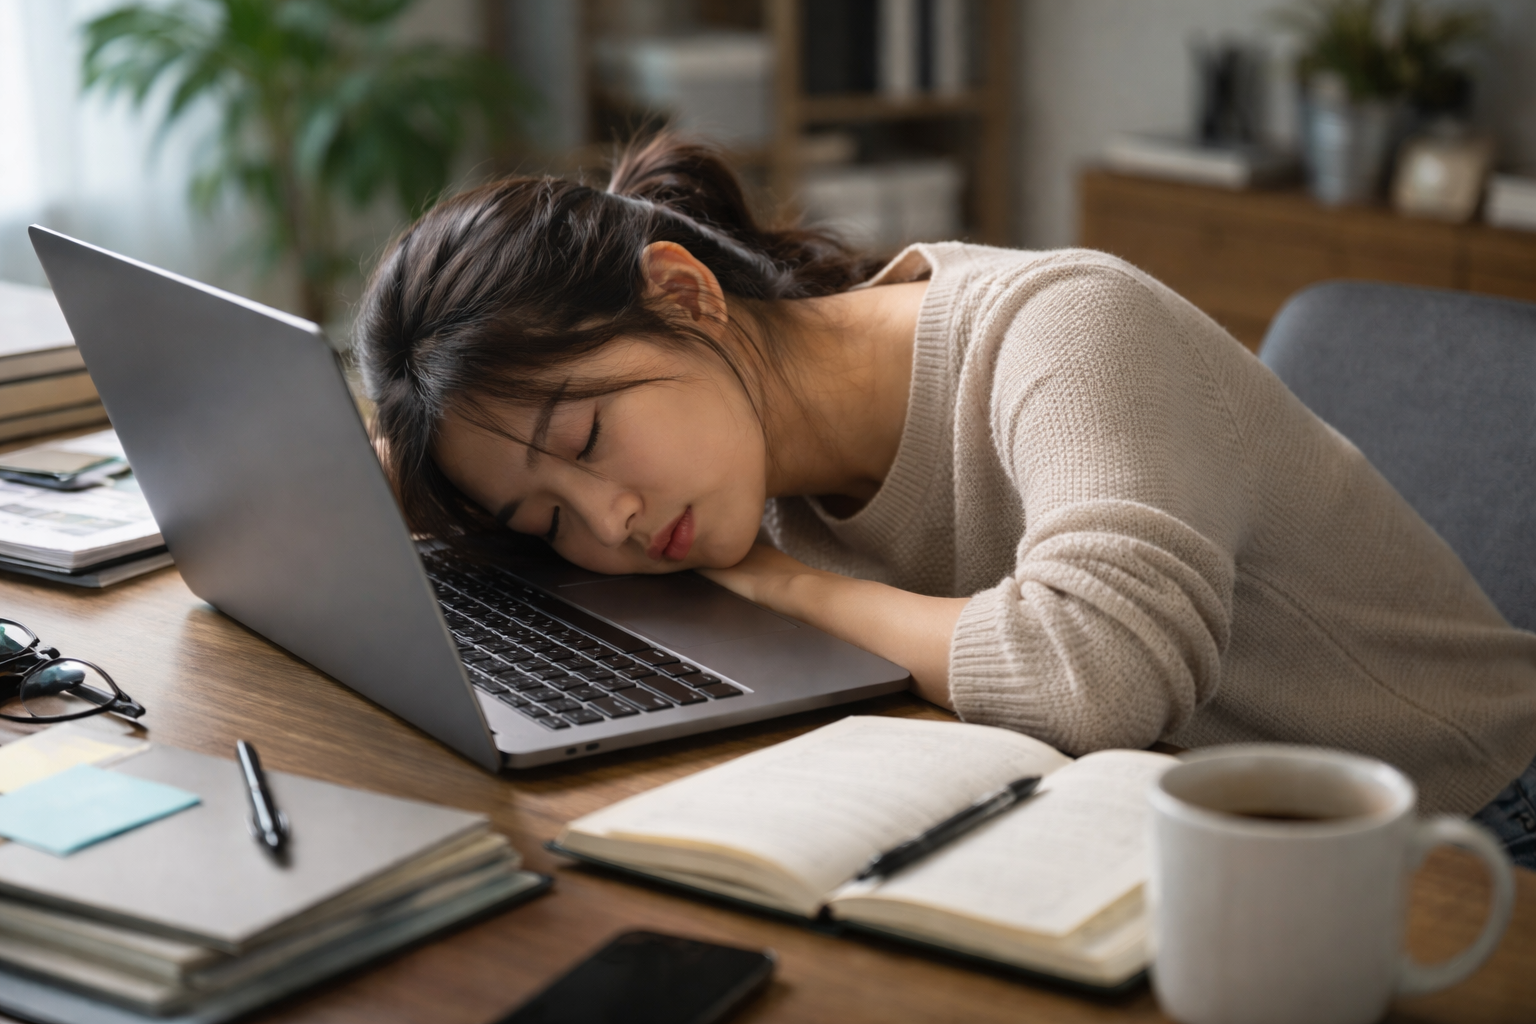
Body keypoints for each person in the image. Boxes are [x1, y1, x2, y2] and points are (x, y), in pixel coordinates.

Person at [356, 135, 1536, 858]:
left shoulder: (1064, 332)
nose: (607, 517)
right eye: (546, 518)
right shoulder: (732, 454)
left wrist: (785, 587)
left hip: (1473, 828)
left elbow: (1098, 671)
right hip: (1209, 825)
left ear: (685, 292)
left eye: (590, 435)